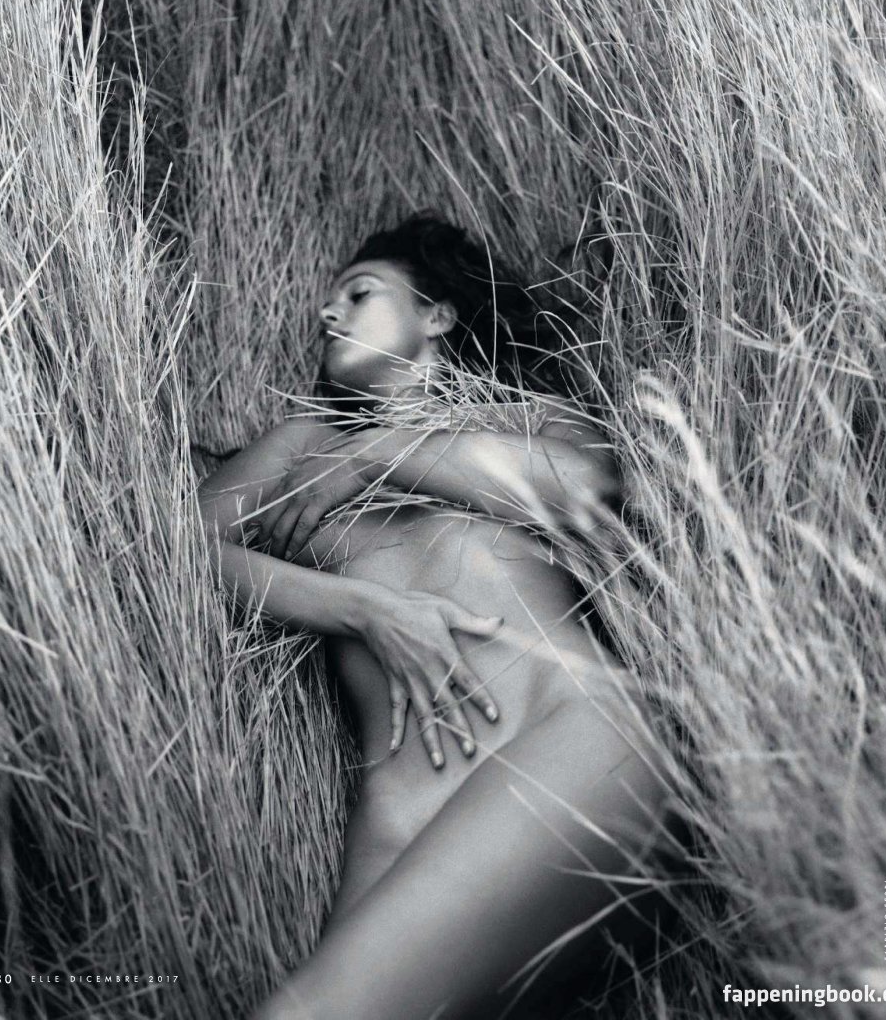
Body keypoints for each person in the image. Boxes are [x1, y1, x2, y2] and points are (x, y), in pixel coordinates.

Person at [197, 214, 679, 1020]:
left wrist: (380, 454)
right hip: (401, 803)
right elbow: (176, 557)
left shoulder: (517, 416)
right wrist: (362, 610)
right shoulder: (300, 442)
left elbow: (587, 489)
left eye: (359, 293)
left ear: (437, 314)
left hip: (568, 732)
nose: (329, 313)